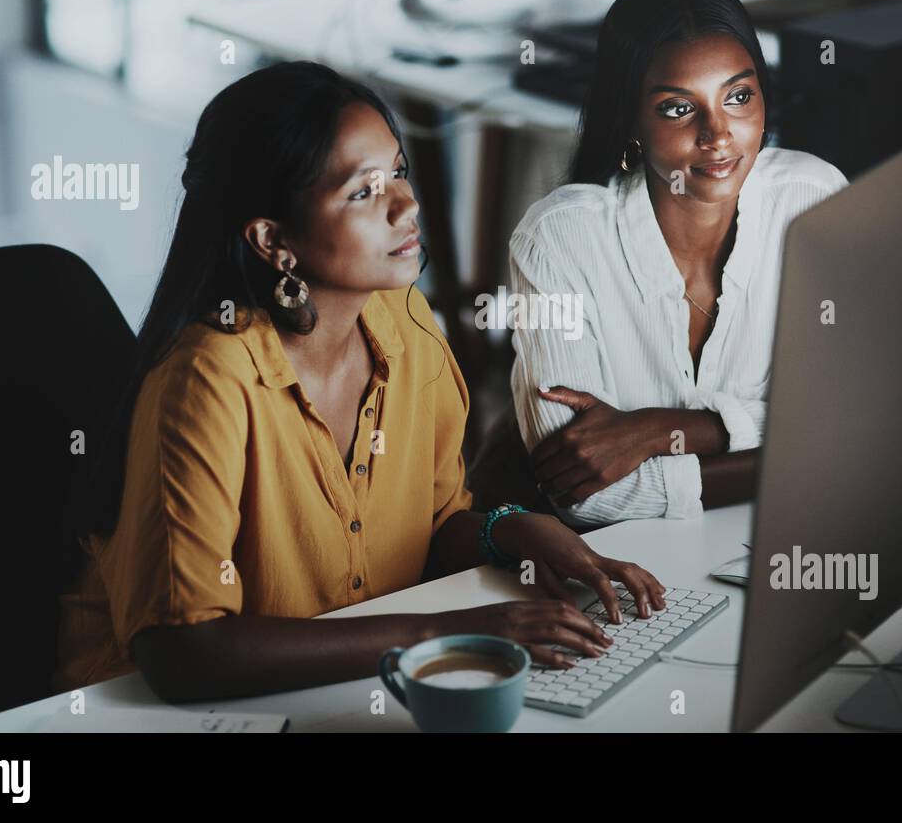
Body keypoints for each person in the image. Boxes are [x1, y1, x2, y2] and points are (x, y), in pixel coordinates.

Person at [54, 62, 666, 702]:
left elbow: (427, 532)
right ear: (272, 240)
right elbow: (185, 653)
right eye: (363, 192)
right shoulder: (210, 378)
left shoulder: (404, 321)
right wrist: (442, 633)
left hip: (333, 689)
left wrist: (511, 531)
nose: (407, 204)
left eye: (398, 171)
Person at [509, 0, 849, 527]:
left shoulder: (811, 199)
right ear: (632, 118)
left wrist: (662, 430)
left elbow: (862, 417)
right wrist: (798, 452)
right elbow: (586, 494)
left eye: (738, 97)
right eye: (677, 108)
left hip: (795, 529)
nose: (718, 135)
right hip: (633, 575)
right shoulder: (558, 241)